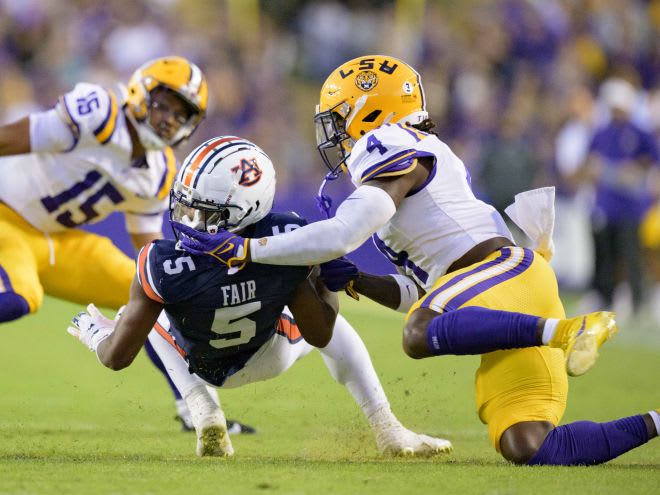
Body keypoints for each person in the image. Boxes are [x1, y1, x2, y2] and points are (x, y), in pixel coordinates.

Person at [173, 55, 659, 465]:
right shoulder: (416, 152)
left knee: (418, 334)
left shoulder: (387, 143)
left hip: (498, 270)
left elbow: (343, 233)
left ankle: (569, 330)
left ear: (371, 110)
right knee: (528, 446)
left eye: (340, 117)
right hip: (508, 288)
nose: (336, 133)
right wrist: (360, 280)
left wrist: (248, 248)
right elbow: (421, 293)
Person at [67, 136, 453, 458]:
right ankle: (386, 427)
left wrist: (96, 333)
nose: (187, 220)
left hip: (206, 366)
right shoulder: (285, 237)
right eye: (186, 205)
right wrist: (323, 284)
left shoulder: (162, 262)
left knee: (142, 309)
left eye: (202, 212)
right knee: (339, 328)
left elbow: (117, 357)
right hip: (274, 353)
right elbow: (320, 333)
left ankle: (203, 409)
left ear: (242, 210)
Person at [0, 56, 251, 434]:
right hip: (7, 218)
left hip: (59, 241)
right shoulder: (97, 113)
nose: (168, 118)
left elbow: (150, 252)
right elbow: (7, 138)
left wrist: (183, 284)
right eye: (162, 104)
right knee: (21, 297)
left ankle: (195, 408)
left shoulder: (161, 169)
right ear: (139, 93)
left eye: (179, 114)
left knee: (151, 294)